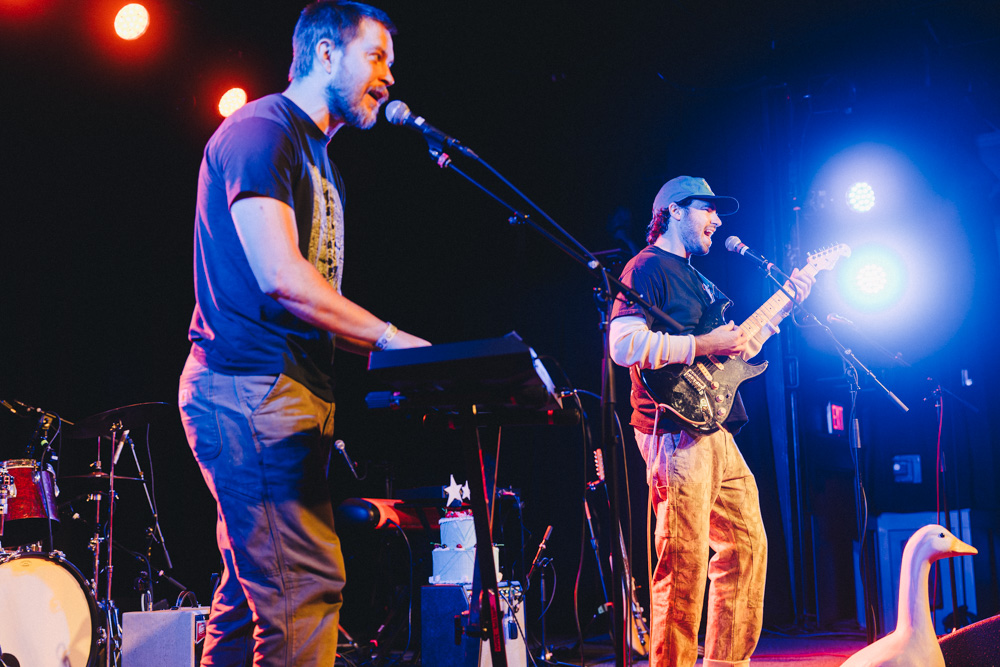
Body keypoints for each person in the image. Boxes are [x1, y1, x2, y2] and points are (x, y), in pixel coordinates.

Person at [177, 2, 430, 664]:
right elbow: (282, 277)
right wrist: (389, 337)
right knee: (306, 587)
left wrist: (424, 361)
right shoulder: (263, 131)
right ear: (325, 54)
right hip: (250, 385)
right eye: (376, 58)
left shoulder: (323, 163)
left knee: (249, 591)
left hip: (285, 392)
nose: (389, 78)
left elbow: (317, 300)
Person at [609, 176, 814, 667]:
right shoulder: (645, 268)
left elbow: (736, 351)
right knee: (682, 563)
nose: (718, 221)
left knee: (746, 546)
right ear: (675, 211)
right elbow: (623, 345)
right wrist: (704, 344)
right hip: (673, 430)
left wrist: (787, 301)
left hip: (714, 426)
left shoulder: (698, 279)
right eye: (708, 210)